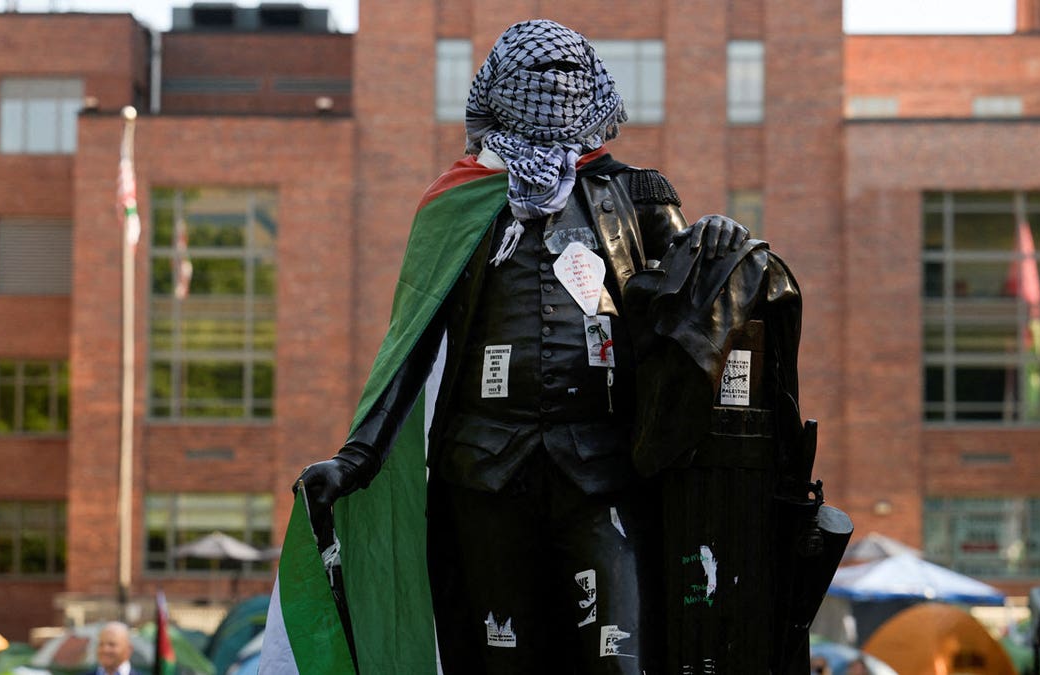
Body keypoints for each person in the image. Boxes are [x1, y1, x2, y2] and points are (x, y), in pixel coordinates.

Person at [298, 18, 748, 674]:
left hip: (602, 471)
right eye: (536, 73)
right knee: (501, 662)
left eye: (567, 72)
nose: (553, 87)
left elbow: (688, 311)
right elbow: (411, 343)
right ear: (499, 87)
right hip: (485, 475)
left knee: (618, 658)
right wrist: (356, 458)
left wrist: (720, 252)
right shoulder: (457, 206)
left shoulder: (638, 195)